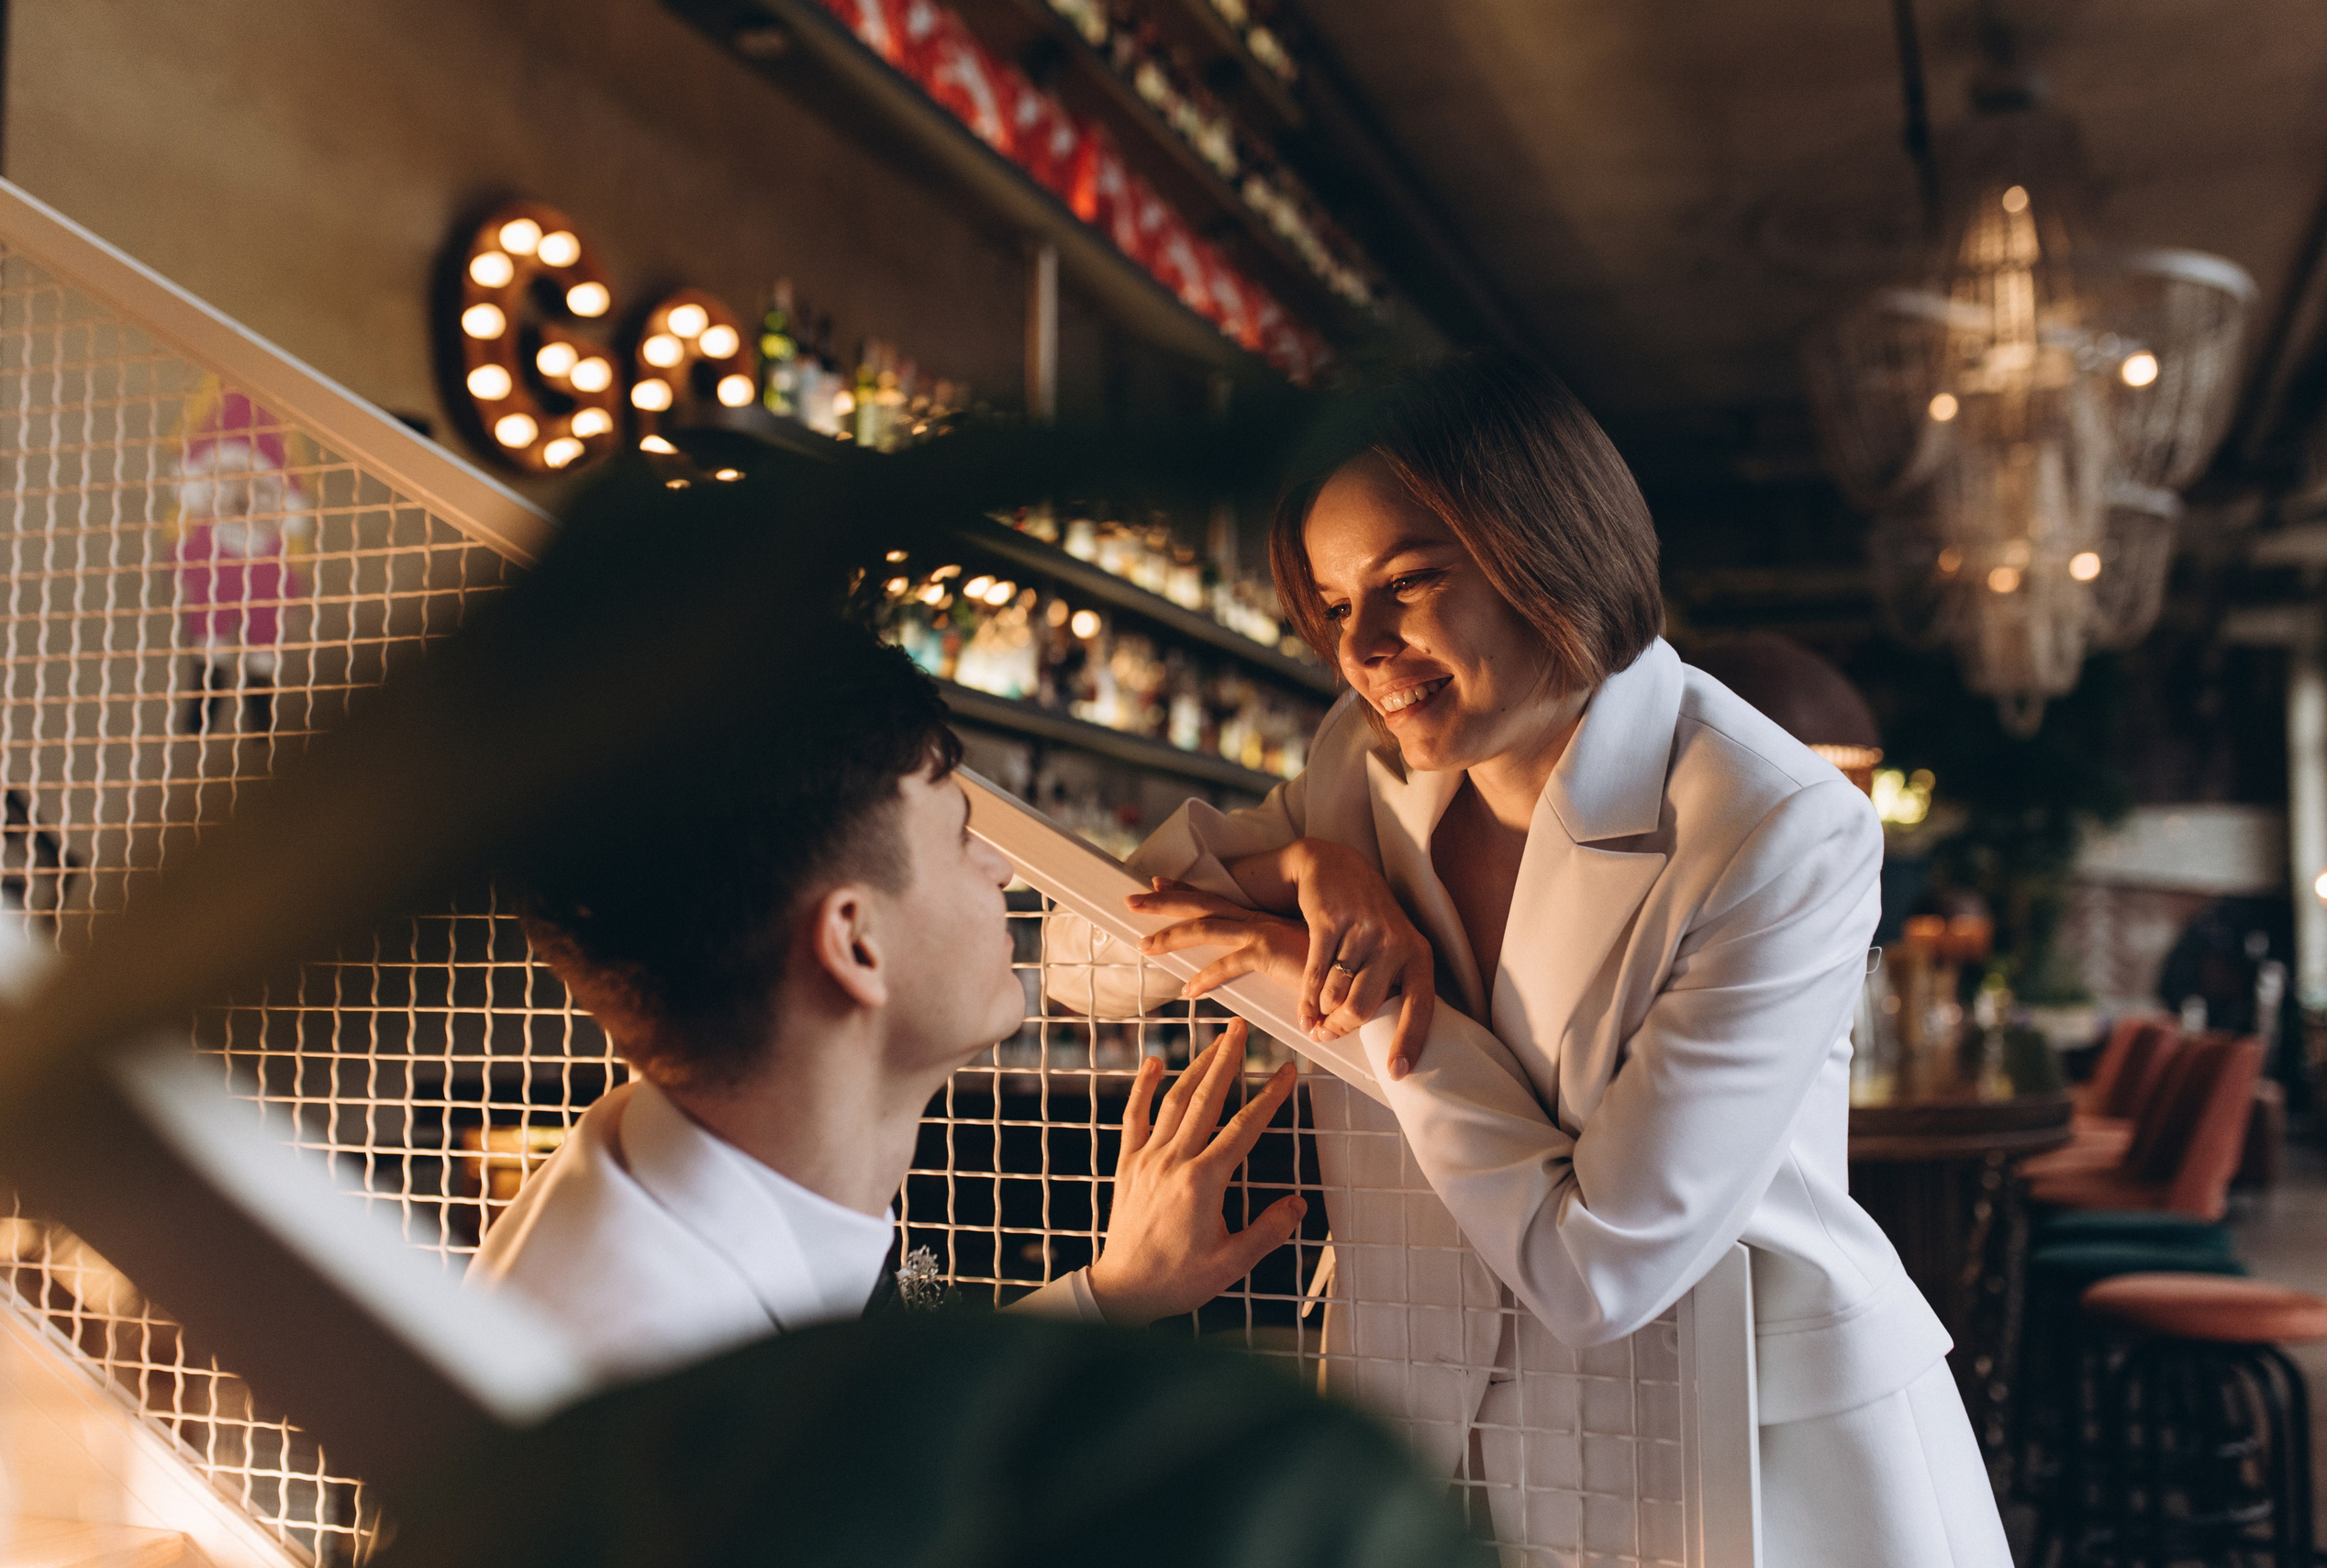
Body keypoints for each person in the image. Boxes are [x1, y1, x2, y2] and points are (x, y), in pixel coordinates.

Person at [1060, 353, 2010, 1565]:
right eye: (1336, 603)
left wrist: (1377, 1007)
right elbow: (1083, 967)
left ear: (1547, 550)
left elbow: (1601, 1269)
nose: (1362, 646)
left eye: (1409, 580)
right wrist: (1303, 866)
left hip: (1738, 1445)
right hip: (1425, 1415)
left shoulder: (1774, 825)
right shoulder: (1363, 761)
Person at [467, 612, 1308, 1387]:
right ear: (855, 943)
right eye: (960, 837)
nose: (1001, 871)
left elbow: (872, 1407)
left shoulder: (720, 1182)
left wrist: (1111, 1292)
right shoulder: (655, 1382)